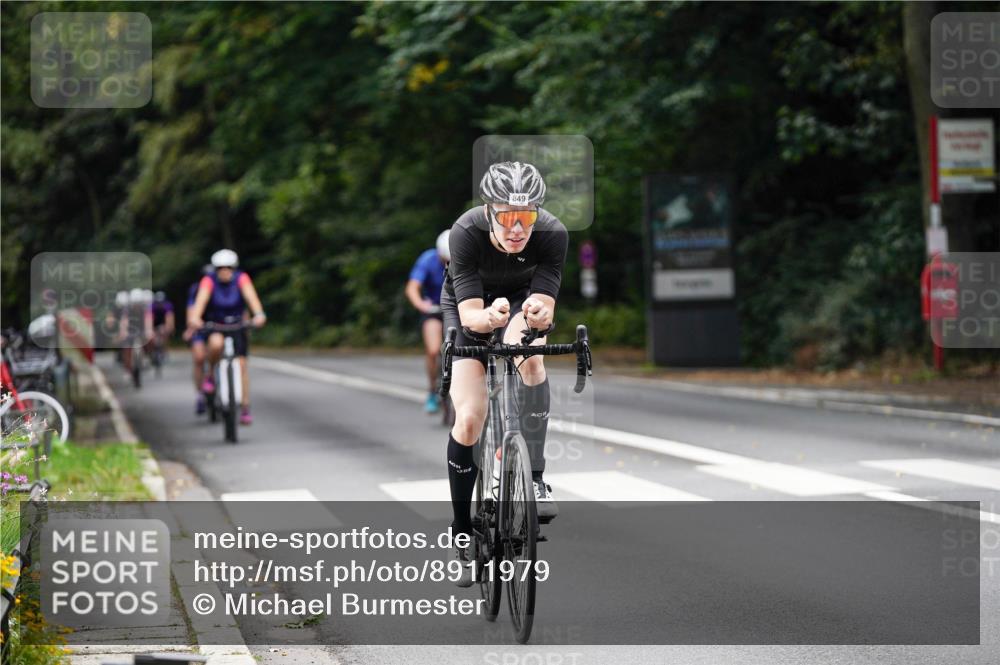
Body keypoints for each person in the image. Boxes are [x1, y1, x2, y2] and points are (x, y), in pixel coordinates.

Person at [440, 161, 568, 586]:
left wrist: (535, 311)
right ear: (489, 213)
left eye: (527, 217)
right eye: (508, 217)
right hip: (470, 304)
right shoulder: (465, 232)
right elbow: (472, 318)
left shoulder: (553, 234)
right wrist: (488, 317)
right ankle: (461, 527)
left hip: (520, 299)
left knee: (531, 356)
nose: (518, 228)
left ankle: (534, 476)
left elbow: (545, 306)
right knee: (471, 417)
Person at [187, 250, 266, 425]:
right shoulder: (208, 281)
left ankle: (245, 408)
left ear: (234, 268)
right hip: (216, 324)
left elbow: (252, 299)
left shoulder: (242, 278)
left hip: (238, 325)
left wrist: (259, 314)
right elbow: (199, 303)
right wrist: (195, 318)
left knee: (242, 364)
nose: (225, 271)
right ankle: (210, 376)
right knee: (215, 344)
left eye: (229, 267)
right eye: (221, 268)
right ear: (215, 269)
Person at [405, 230, 451, 413]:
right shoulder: (428, 259)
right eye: (444, 261)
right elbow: (412, 287)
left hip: (457, 309)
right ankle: (432, 390)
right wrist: (421, 305)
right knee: (433, 350)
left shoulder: (465, 258)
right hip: (434, 309)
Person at [183, 265, 213, 414]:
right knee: (199, 358)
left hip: (217, 325)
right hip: (199, 326)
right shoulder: (196, 289)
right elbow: (191, 309)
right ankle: (199, 394)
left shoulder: (222, 288)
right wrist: (191, 327)